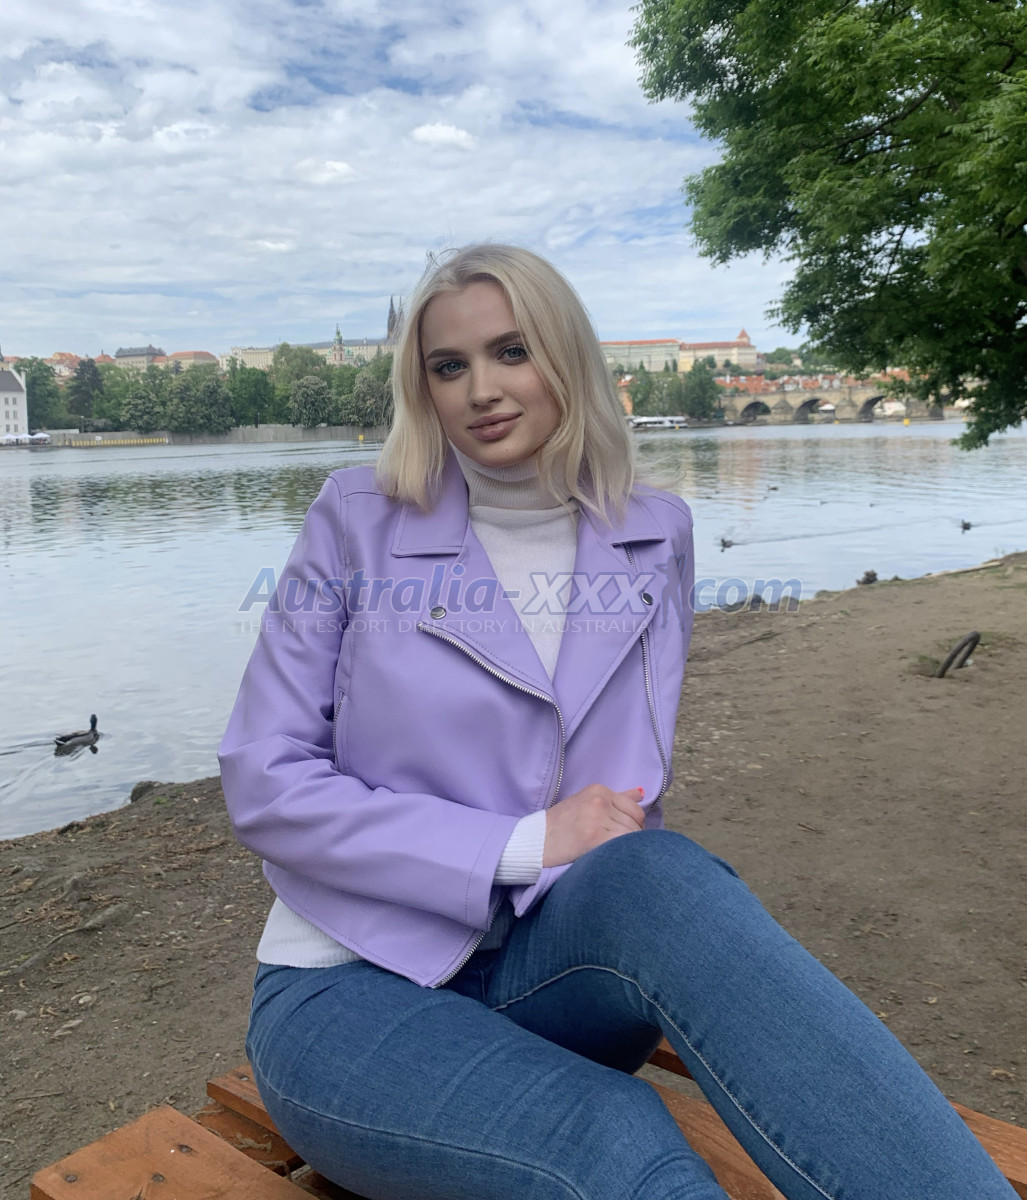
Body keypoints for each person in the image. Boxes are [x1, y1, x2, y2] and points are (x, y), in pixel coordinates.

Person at [219, 244, 1015, 1200]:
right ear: (421, 389)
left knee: (666, 874)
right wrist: (517, 843)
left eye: (512, 351)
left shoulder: (653, 531)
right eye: (448, 365)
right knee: (617, 1138)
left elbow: (627, 783)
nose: (481, 389)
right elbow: (265, 780)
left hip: (550, 967)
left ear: (567, 357)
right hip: (351, 983)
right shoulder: (357, 518)